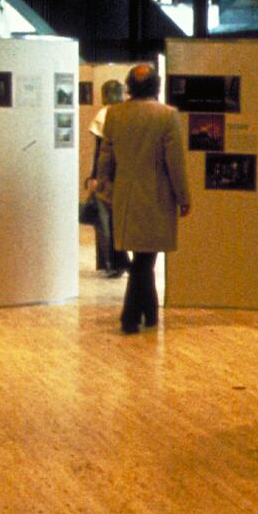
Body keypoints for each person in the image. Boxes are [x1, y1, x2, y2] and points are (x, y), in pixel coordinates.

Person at [95, 63, 191, 334]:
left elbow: (106, 157)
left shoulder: (114, 114)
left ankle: (150, 313)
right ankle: (130, 316)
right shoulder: (167, 116)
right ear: (156, 86)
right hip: (158, 195)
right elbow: (175, 163)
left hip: (125, 196)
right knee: (145, 258)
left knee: (142, 255)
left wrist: (105, 188)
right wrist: (183, 197)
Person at [85, 78, 129, 278]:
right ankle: (118, 261)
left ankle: (112, 262)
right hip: (126, 174)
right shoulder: (128, 113)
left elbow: (100, 151)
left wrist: (95, 176)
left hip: (108, 176)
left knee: (105, 221)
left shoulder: (104, 115)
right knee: (119, 220)